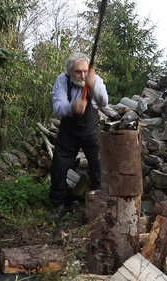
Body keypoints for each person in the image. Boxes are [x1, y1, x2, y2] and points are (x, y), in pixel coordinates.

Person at [47, 52, 108, 222]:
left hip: (90, 130)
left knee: (98, 166)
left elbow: (104, 102)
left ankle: (99, 206)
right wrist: (73, 106)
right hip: (69, 130)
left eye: (84, 71)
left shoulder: (94, 79)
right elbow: (57, 107)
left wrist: (93, 85)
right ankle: (57, 205)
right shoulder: (62, 80)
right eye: (77, 72)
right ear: (69, 72)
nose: (82, 75)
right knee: (59, 166)